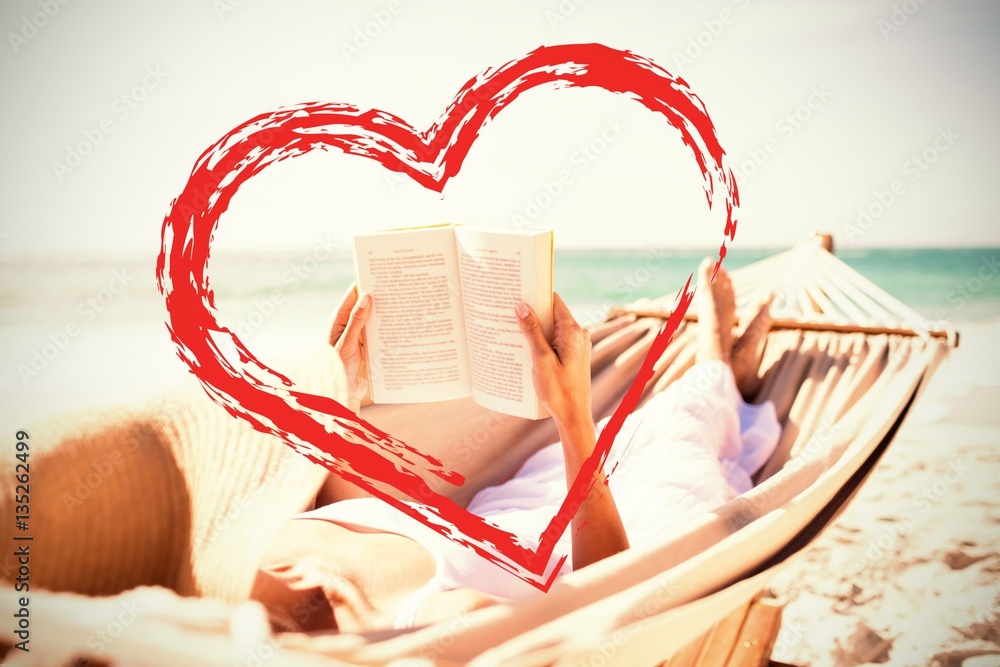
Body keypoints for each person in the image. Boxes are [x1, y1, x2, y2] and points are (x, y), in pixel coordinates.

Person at [249, 259, 779, 633]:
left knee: (636, 428)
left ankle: (723, 376)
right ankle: (716, 359)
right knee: (675, 438)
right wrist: (571, 417)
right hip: (605, 537)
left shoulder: (242, 549)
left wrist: (341, 414)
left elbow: (358, 520)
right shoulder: (429, 626)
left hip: (509, 511)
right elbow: (608, 602)